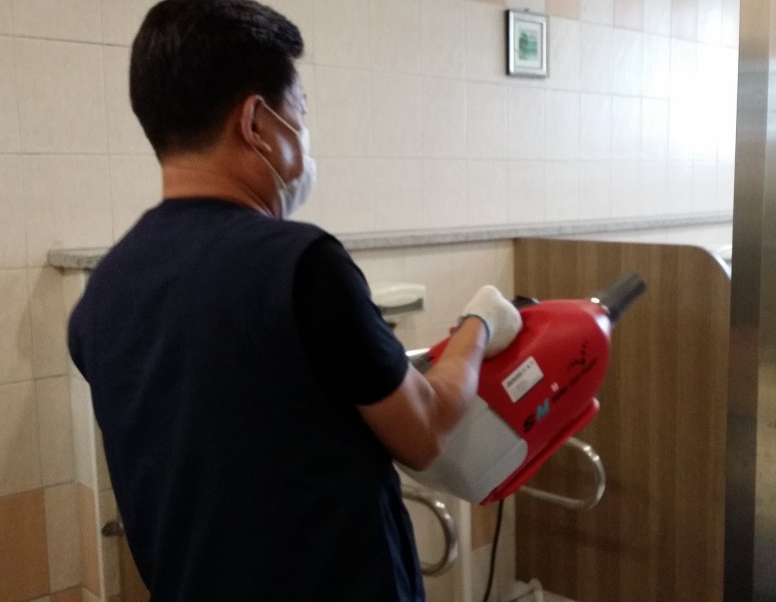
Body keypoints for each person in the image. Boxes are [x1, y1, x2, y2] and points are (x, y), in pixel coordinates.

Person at [66, 1, 522, 600]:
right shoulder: (301, 266)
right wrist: (479, 323)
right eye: (300, 111)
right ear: (256, 122)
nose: (304, 135)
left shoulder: (102, 295)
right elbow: (424, 430)